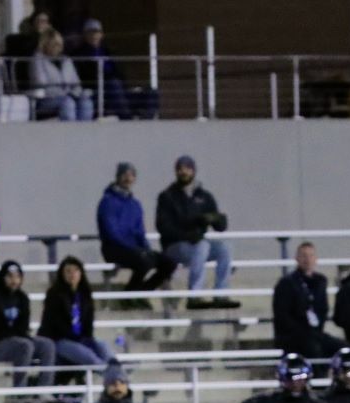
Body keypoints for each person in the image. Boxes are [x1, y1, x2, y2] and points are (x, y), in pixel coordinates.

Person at [156, 155, 237, 310]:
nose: (183, 172)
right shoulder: (167, 196)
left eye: (187, 168)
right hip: (174, 246)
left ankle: (221, 294)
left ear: (193, 171)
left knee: (224, 248)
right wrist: (187, 235)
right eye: (180, 169)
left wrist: (214, 219)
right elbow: (164, 227)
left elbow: (221, 226)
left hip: (197, 245)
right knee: (202, 246)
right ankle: (195, 295)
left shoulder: (204, 196)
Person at [0, 260, 57, 394]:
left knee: (47, 345)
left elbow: (23, 328)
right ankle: (19, 392)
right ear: (2, 277)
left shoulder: (22, 299)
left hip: (17, 341)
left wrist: (14, 335)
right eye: (10, 276)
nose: (14, 280)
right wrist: (7, 335)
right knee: (24, 345)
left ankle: (44, 391)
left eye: (17, 277)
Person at [97, 163, 175, 292]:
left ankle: (142, 292)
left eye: (131, 175)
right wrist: (138, 250)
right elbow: (111, 233)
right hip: (114, 249)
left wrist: (147, 249)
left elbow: (140, 232)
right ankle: (129, 295)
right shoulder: (108, 202)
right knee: (144, 262)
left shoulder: (135, 204)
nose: (128, 179)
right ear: (118, 177)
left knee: (169, 264)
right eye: (124, 175)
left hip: (135, 249)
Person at [69, 18, 156, 119]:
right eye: (90, 32)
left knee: (152, 92)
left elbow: (120, 73)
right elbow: (83, 77)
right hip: (97, 92)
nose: (93, 35)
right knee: (113, 84)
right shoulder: (78, 54)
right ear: (85, 35)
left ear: (101, 34)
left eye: (96, 32)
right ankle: (127, 118)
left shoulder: (109, 52)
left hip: (120, 92)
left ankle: (147, 119)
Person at [39, 256, 110, 368]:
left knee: (102, 346)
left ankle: (116, 368)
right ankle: (112, 374)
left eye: (76, 270)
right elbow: (55, 324)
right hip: (60, 340)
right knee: (89, 357)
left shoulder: (85, 294)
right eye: (68, 271)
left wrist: (87, 339)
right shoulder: (54, 294)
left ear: (81, 273)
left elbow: (88, 322)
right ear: (62, 274)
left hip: (81, 339)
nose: (72, 274)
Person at [273, 241, 339, 358]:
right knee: (314, 349)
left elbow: (323, 309)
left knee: (344, 349)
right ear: (297, 259)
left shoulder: (321, 281)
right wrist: (303, 331)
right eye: (304, 256)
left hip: (315, 333)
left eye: (311, 256)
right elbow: (282, 315)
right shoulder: (286, 283)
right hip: (293, 335)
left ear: (316, 259)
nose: (307, 259)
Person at [30, 28, 94, 121]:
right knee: (67, 102)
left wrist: (76, 93)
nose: (57, 48)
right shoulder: (37, 60)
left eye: (59, 44)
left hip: (69, 95)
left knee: (86, 102)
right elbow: (40, 83)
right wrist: (64, 93)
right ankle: (69, 132)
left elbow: (76, 83)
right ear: (45, 45)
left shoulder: (66, 60)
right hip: (47, 99)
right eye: (53, 44)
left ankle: (83, 132)